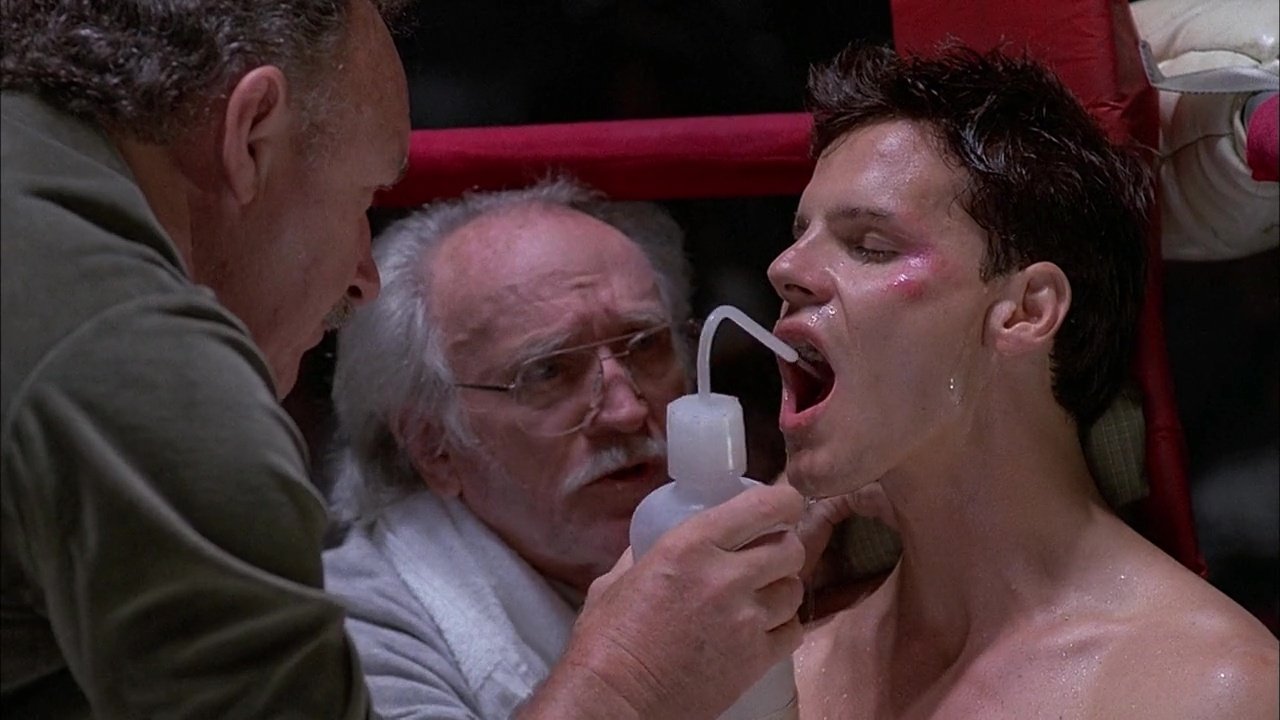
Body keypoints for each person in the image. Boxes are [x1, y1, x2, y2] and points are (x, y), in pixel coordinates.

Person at [769, 44, 1280, 719]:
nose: (784, 269)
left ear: (1026, 311)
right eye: (799, 236)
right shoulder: (784, 660)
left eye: (870, 245)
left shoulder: (1203, 691)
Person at [2, 0, 411, 716]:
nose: (365, 278)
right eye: (363, 198)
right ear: (251, 135)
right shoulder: (136, 360)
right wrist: (613, 675)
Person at [322, 176, 849, 719]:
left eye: (646, 345)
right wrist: (628, 680)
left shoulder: (795, 537)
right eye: (548, 372)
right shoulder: (346, 633)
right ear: (433, 445)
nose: (626, 412)